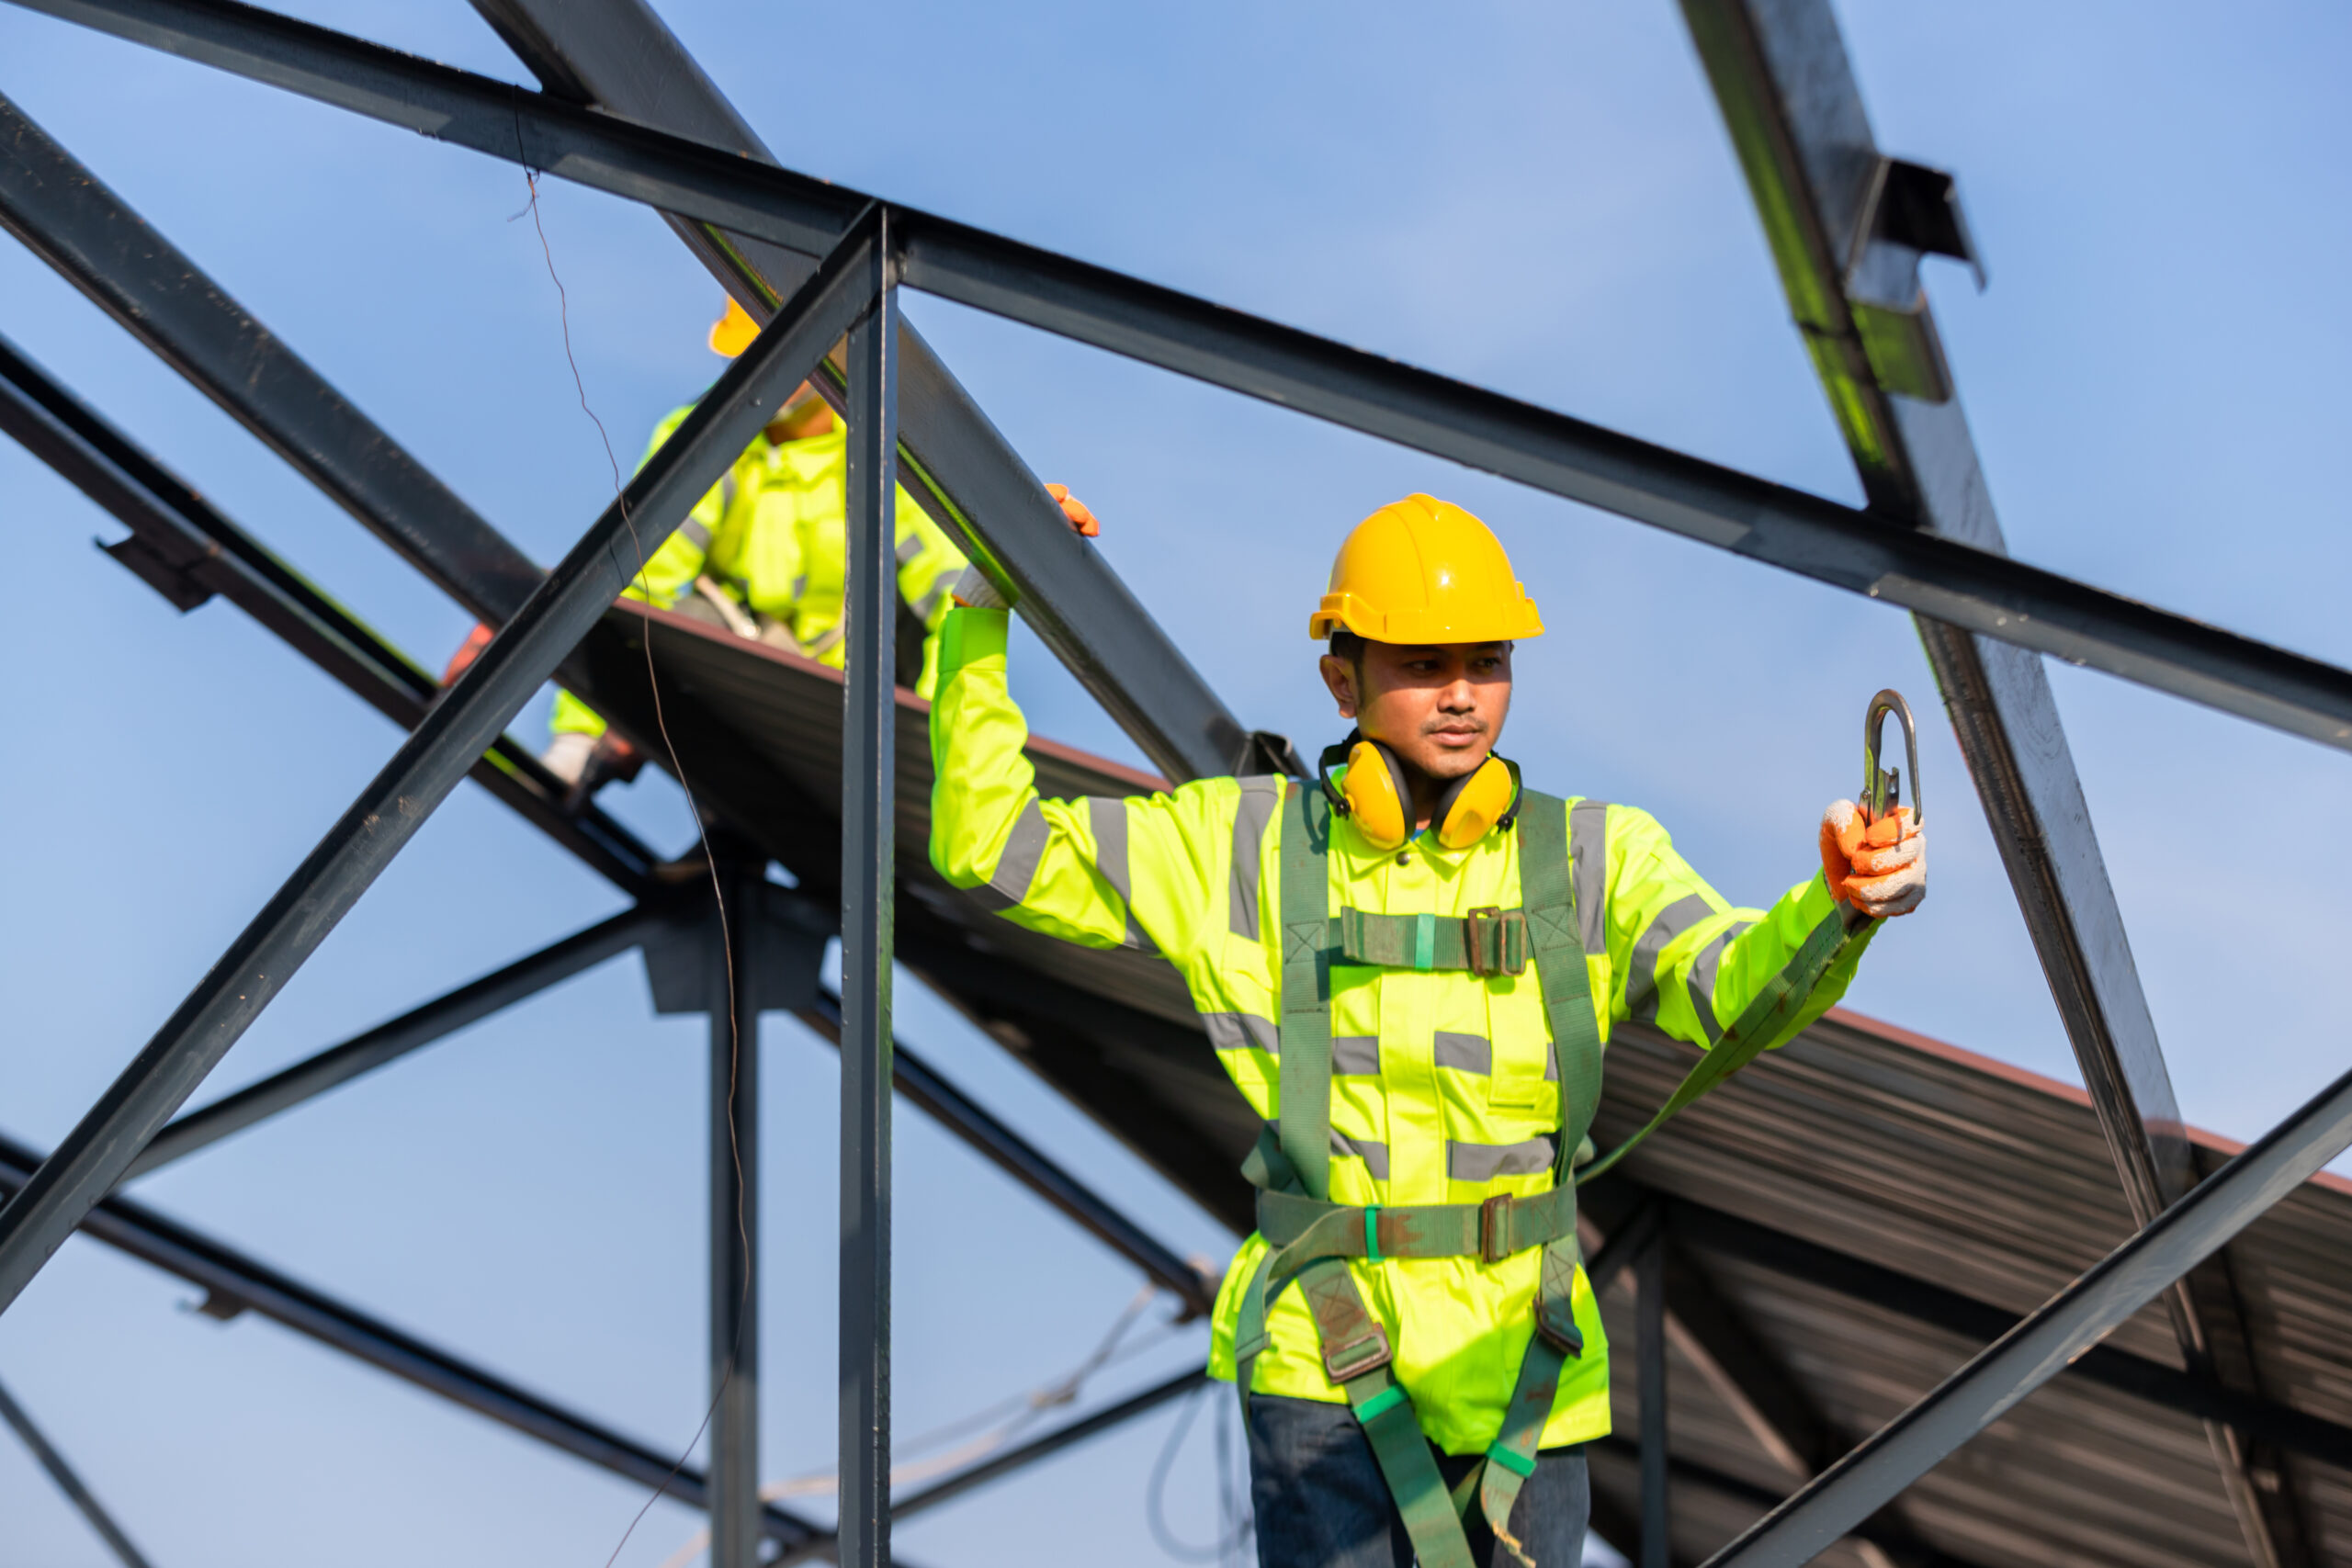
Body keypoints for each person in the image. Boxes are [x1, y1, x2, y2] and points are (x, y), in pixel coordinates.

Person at [927, 493, 1925, 1568]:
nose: (1460, 694)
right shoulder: (1237, 848)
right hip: (1321, 1357)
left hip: (1523, 1370)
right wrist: (981, 606)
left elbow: (1731, 985)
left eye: (1486, 661)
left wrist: (1836, 906)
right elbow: (991, 844)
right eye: (1421, 663)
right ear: (1340, 680)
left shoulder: (1593, 859)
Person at [447, 298, 973, 796]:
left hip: (854, 696)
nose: (753, 374)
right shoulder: (711, 434)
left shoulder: (883, 455)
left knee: (922, 633)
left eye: (772, 358)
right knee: (682, 621)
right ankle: (592, 756)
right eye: (744, 357)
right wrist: (582, 728)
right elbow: (638, 578)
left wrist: (929, 747)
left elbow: (952, 600)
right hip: (748, 674)